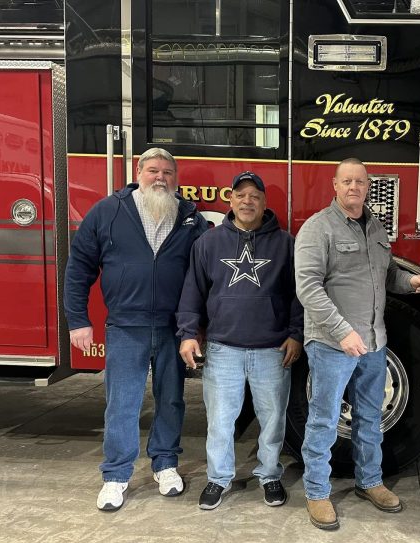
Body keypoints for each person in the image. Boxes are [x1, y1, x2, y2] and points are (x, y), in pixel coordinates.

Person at [64, 147, 208, 511]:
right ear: (138, 173)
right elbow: (79, 266)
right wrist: (78, 319)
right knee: (122, 403)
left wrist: (200, 325)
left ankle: (165, 464)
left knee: (172, 399)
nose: (160, 178)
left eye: (168, 173)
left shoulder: (190, 217)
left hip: (174, 327)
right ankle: (115, 475)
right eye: (153, 171)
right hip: (126, 325)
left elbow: (206, 275)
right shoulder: (108, 211)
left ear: (176, 179)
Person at [295, 158, 420, 530]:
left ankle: (370, 482)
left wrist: (410, 283)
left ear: (368, 186)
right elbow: (308, 287)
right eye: (346, 181)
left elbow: (386, 277)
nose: (354, 187)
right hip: (333, 345)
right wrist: (342, 332)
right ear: (334, 185)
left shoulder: (375, 228)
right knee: (323, 420)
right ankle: (317, 492)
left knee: (370, 418)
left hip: (373, 342)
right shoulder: (317, 229)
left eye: (360, 182)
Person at [177, 171, 303, 511]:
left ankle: (269, 473)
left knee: (273, 419)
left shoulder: (286, 244)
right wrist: (188, 334)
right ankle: (218, 478)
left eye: (255, 196)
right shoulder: (208, 243)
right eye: (241, 195)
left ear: (264, 203)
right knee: (220, 420)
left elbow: (297, 296)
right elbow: (192, 292)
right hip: (223, 349)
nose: (248, 201)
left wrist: (295, 334)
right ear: (230, 200)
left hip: (272, 350)